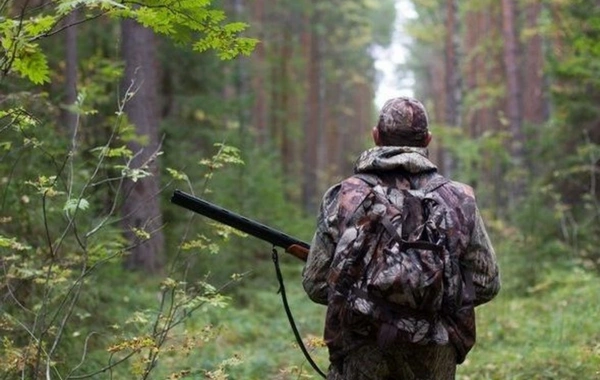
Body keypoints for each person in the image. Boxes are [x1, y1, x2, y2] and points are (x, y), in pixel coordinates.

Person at [302, 97, 500, 380]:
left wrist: (367, 300)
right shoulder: (458, 198)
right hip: (435, 351)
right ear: (427, 139)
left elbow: (316, 283)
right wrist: (432, 299)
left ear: (376, 136)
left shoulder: (345, 196)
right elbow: (486, 282)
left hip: (362, 348)